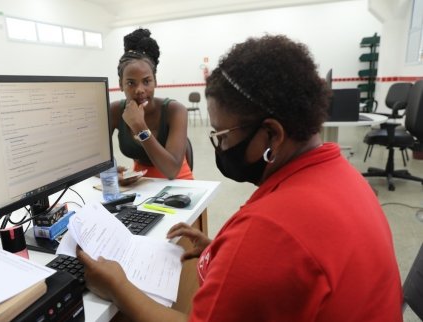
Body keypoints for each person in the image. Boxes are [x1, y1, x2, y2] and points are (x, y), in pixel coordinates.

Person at [77, 34, 403, 321]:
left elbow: (270, 247)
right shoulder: (342, 174)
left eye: (222, 135)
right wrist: (221, 249)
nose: (219, 146)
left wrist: (118, 286)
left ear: (271, 135)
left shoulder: (269, 231)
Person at [111, 28, 193, 181]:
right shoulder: (115, 111)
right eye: (130, 83)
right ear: (120, 85)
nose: (140, 90)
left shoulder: (175, 110)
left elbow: (171, 171)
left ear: (155, 81)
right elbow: (91, 160)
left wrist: (139, 126)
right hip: (140, 183)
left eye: (147, 81)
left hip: (179, 183)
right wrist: (109, 172)